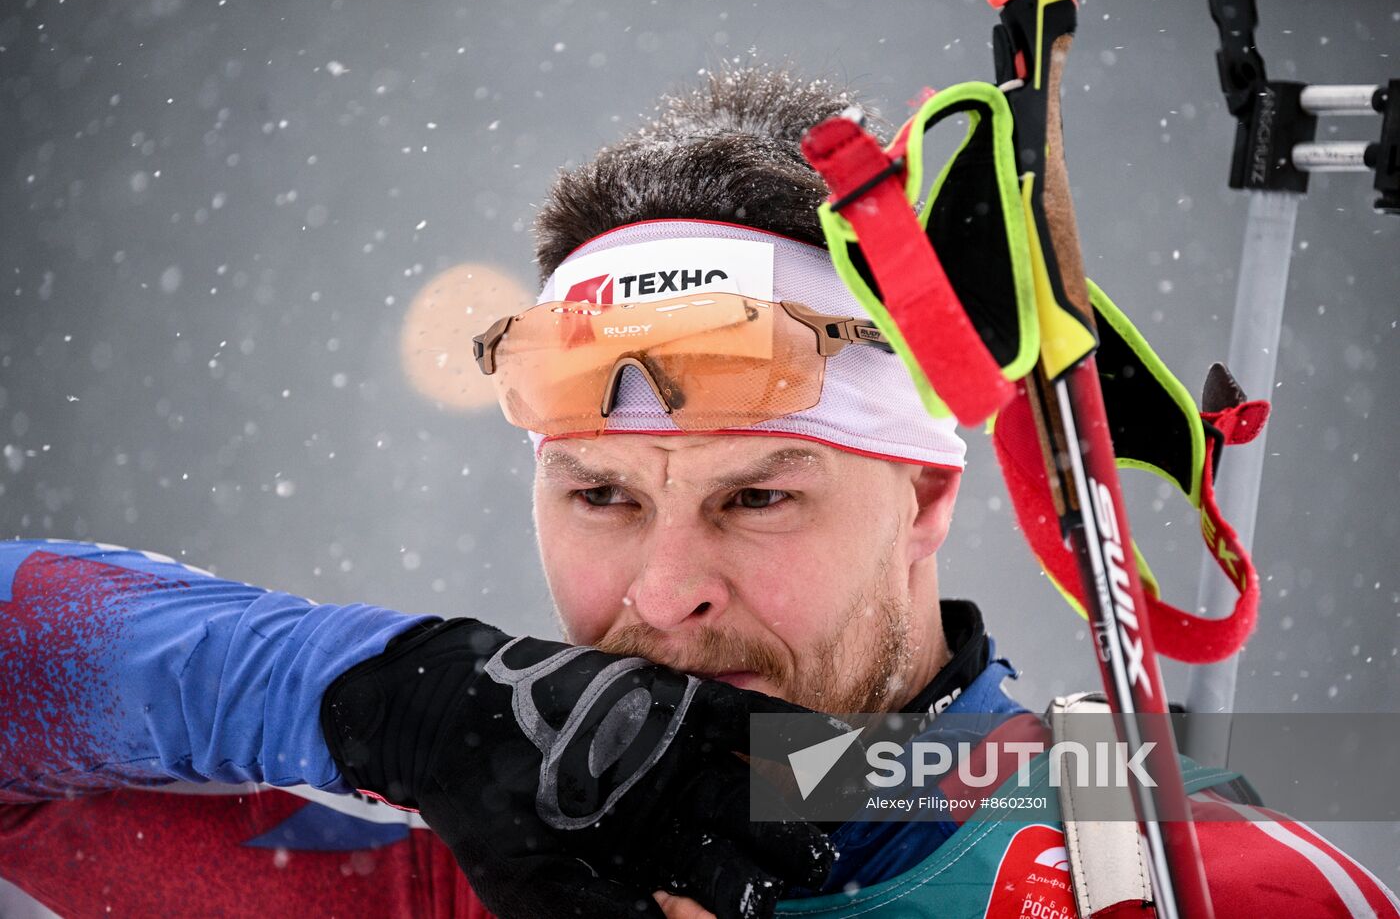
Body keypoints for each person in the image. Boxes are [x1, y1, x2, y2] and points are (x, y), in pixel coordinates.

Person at [2, 67, 1396, 919]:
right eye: (600, 496)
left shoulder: (1194, 875)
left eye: (757, 499)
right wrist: (405, 697)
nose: (665, 594)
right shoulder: (495, 873)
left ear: (921, 499)